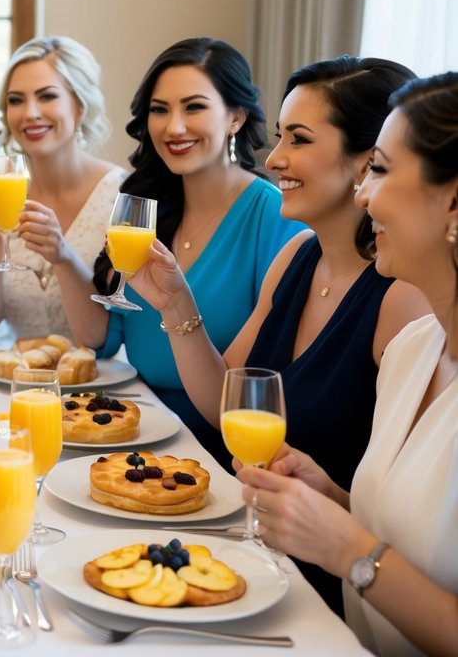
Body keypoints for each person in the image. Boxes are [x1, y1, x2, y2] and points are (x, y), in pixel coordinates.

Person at [125, 57, 429, 614]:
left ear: (368, 161)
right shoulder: (297, 256)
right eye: (281, 134)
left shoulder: (402, 299)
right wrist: (175, 302)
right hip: (251, 545)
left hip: (330, 587)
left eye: (300, 139)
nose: (275, 158)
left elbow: (410, 526)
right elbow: (225, 404)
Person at [239, 72, 458, 656]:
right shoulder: (415, 350)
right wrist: (329, 499)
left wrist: (348, 549)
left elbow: (368, 553)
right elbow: (396, 537)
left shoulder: (397, 322)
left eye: (380, 170)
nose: (363, 196)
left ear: (453, 203)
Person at [66, 37, 305, 464]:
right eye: (160, 110)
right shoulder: (147, 207)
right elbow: (102, 339)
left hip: (221, 453)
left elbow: (261, 387)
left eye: (194, 107)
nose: (173, 127)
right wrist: (59, 254)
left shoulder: (272, 216)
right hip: (135, 435)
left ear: (235, 117)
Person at [0, 35, 125, 340]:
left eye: (47, 96)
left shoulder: (119, 196)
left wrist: (63, 256)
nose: (30, 113)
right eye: (16, 100)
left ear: (80, 107)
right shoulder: (3, 192)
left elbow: (98, 337)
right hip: (18, 367)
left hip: (99, 369)